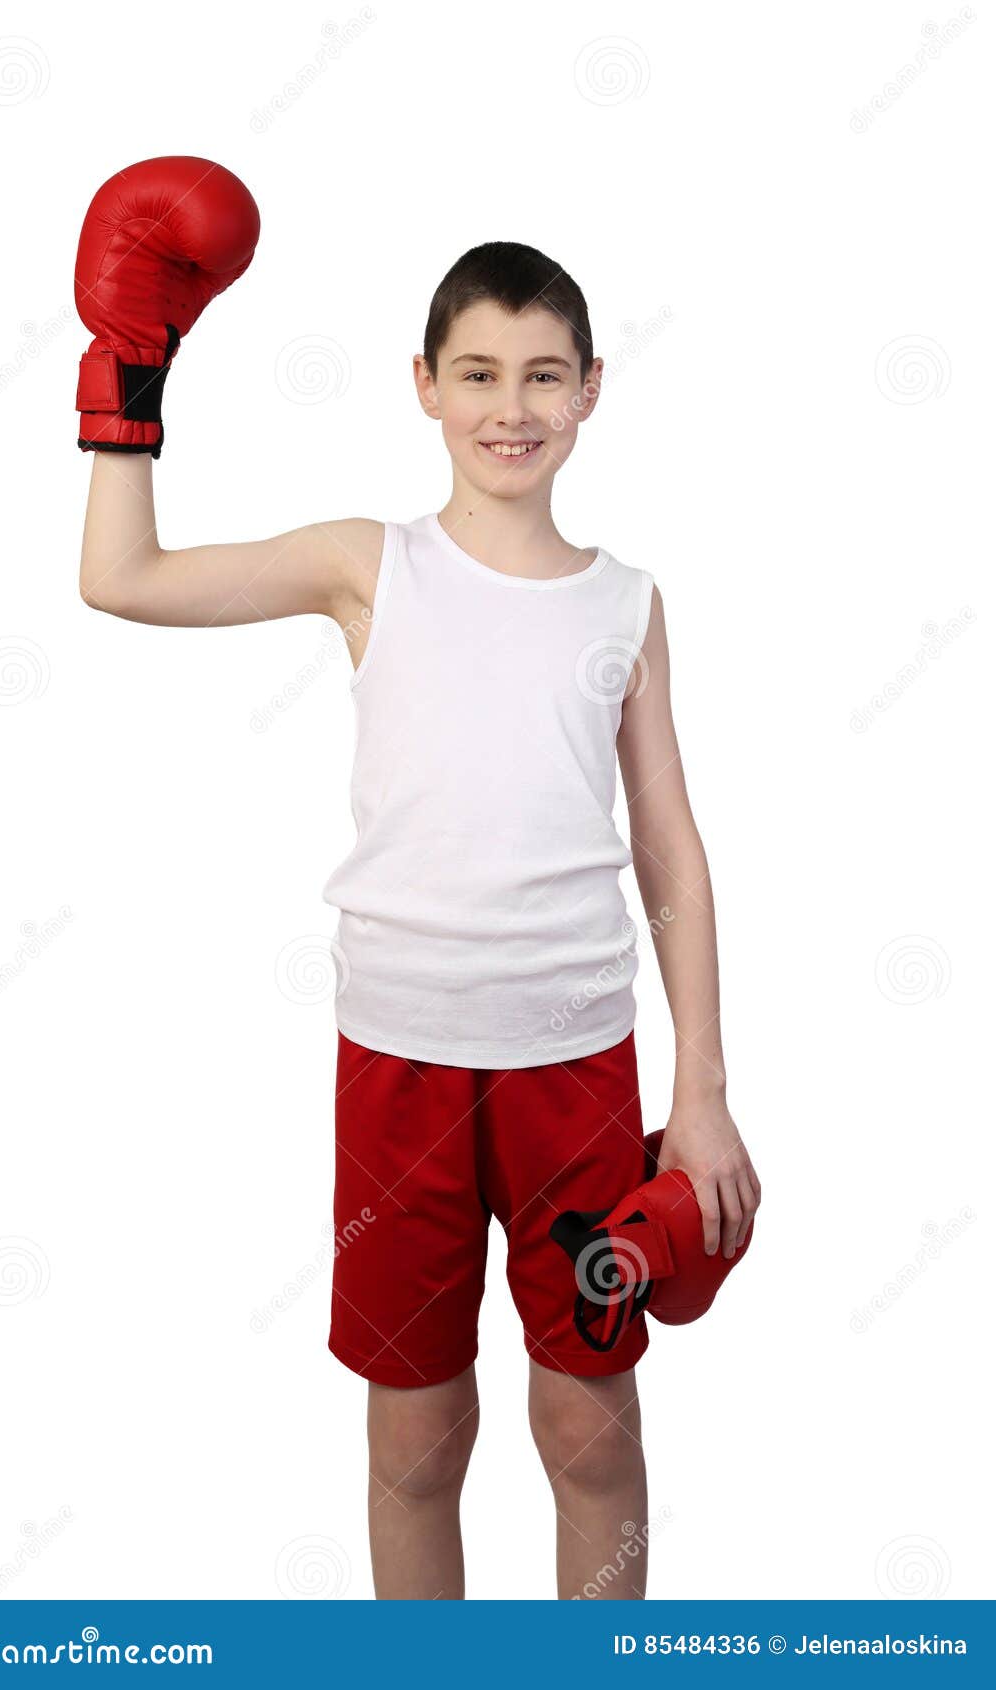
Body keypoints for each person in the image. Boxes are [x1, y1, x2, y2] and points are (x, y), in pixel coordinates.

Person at [78, 206, 761, 1599]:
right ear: (423, 385)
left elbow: (672, 850)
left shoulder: (626, 603)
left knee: (587, 1428)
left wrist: (699, 1091)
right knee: (415, 1438)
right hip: (399, 1066)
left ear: (590, 390)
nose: (511, 406)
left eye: (543, 374)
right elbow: (121, 579)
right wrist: (127, 379)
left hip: (574, 1065)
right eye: (479, 372)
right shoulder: (367, 563)